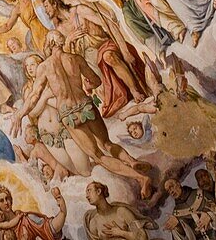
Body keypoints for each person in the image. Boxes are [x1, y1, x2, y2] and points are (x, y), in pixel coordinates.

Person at [13, 32, 152, 198]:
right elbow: (96, 81)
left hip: (69, 115)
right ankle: (131, 161)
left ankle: (140, 178)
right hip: (85, 106)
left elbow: (34, 95)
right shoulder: (75, 59)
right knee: (107, 144)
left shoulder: (44, 67)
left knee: (98, 156)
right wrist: (87, 86)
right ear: (61, 42)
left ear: (49, 45)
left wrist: (19, 115)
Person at [0, 184, 65, 240]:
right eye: (1, 201)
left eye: (7, 198)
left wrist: (62, 212)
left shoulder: (28, 219)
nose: (6, 202)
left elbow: (50, 228)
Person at [83, 181, 154, 240]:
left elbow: (142, 237)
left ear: (98, 191)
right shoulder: (93, 222)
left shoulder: (122, 212)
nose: (86, 196)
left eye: (89, 191)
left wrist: (120, 233)